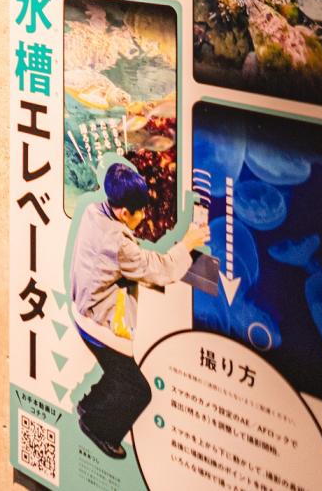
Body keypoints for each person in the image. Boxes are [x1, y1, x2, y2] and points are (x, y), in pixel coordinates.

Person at [68, 163, 208, 459]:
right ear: (122, 212)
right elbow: (161, 271)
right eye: (139, 211)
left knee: (116, 375)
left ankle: (89, 404)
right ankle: (98, 426)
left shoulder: (95, 211)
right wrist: (187, 243)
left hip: (81, 310)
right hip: (100, 326)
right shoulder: (118, 244)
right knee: (137, 391)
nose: (143, 216)